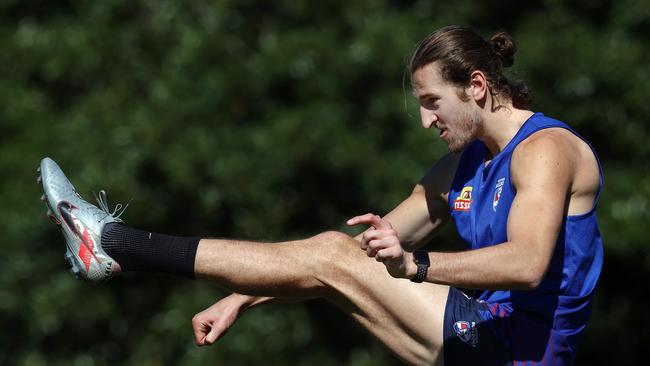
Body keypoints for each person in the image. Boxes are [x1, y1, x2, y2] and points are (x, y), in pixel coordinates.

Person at [39, 25, 603, 366]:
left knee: (335, 254)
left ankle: (117, 243)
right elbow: (357, 259)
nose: (427, 121)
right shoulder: (466, 164)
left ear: (477, 86)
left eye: (433, 102)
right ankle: (111, 247)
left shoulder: (545, 150)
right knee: (337, 255)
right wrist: (244, 296)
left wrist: (418, 264)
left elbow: (528, 264)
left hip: (520, 349)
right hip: (483, 332)